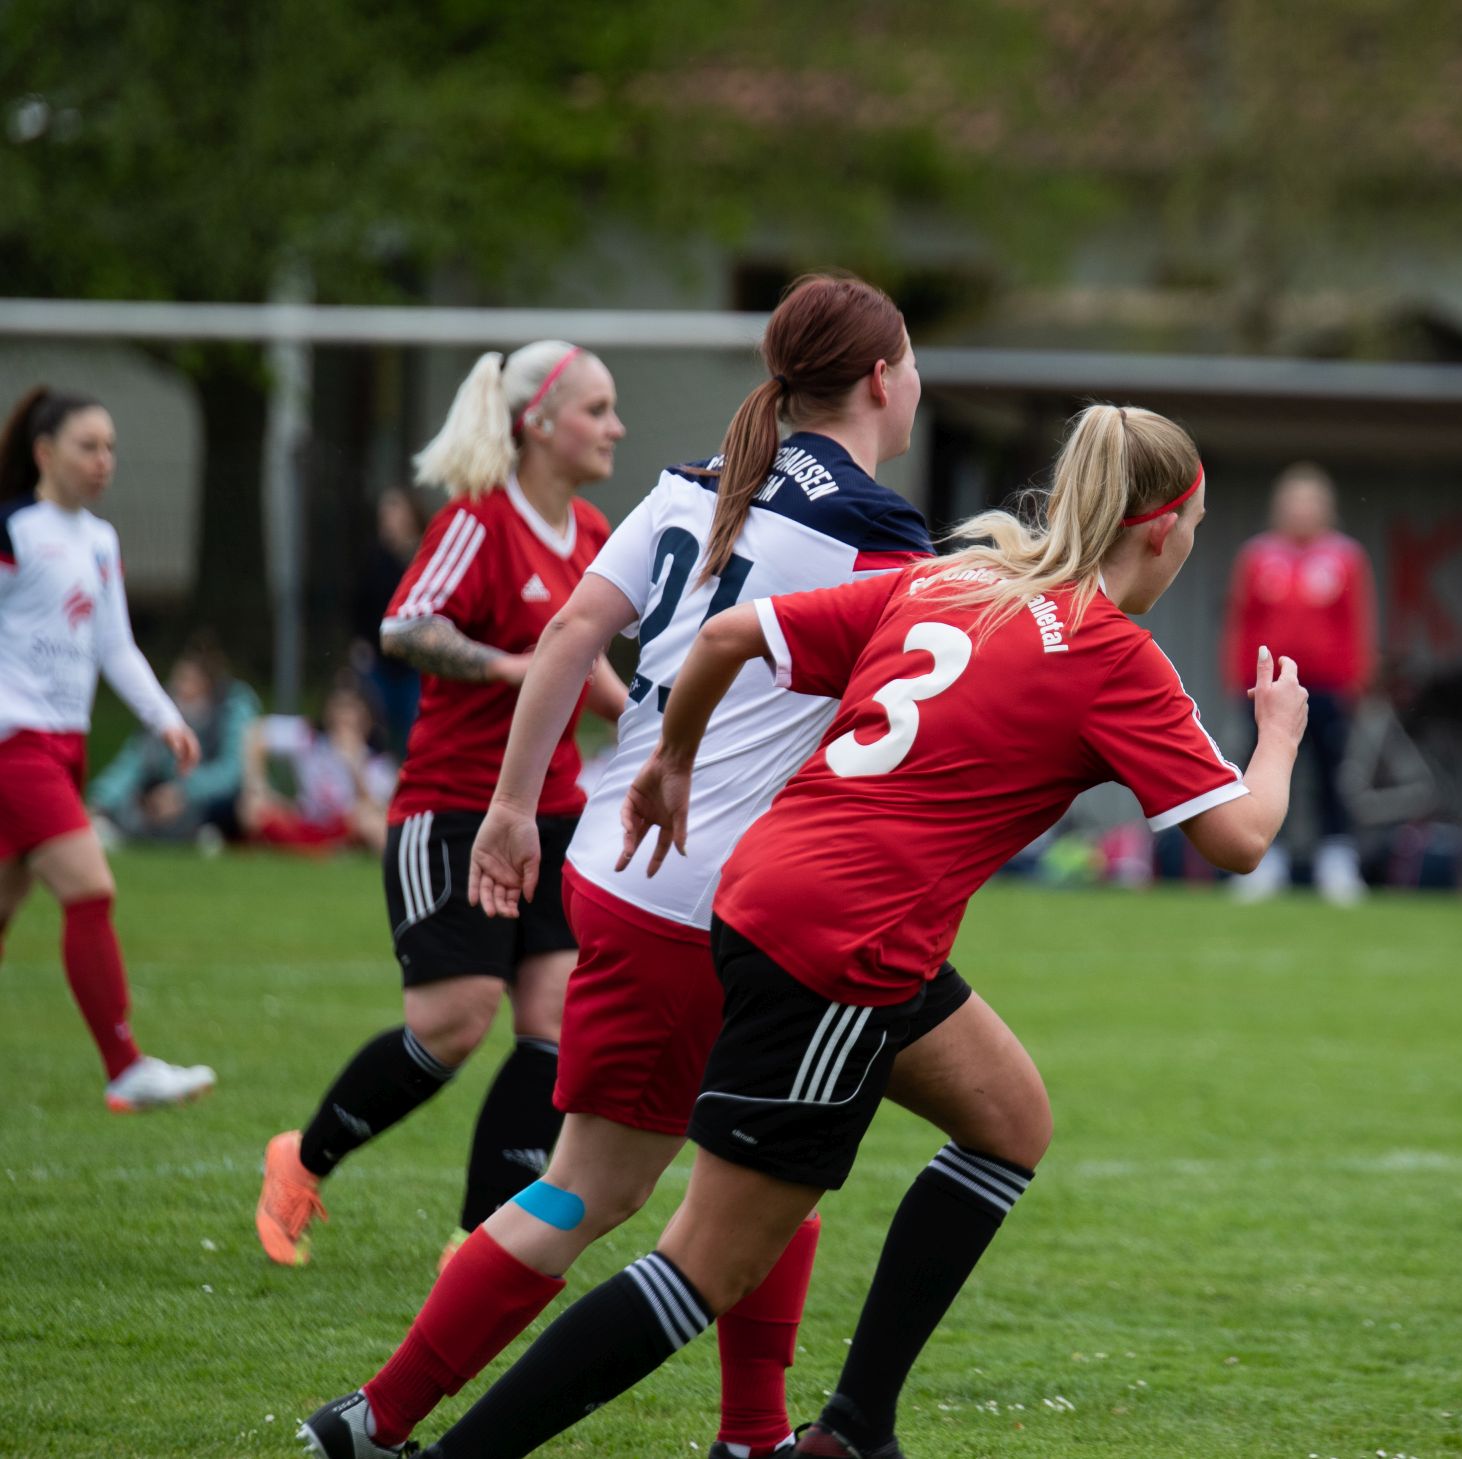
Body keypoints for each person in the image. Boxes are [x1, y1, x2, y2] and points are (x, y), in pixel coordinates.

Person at [408, 404, 1308, 1459]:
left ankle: (853, 1428)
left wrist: (670, 759)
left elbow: (730, 635)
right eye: (1193, 526)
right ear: (1159, 531)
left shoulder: (953, 580)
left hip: (773, 894)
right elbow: (1241, 838)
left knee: (1010, 1118)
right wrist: (1278, 737)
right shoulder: (1112, 654)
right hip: (843, 946)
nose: (1190, 543)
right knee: (705, 1265)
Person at [297, 273, 938, 1459]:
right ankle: (382, 1418)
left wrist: (509, 808)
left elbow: (568, 634)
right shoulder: (876, 532)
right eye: (911, 363)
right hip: (710, 898)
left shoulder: (702, 480)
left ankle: (744, 1434)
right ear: (880, 379)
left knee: (753, 1162)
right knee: (615, 1185)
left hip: (621, 861)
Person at [255, 341, 628, 1269]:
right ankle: (302, 1158)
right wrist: (511, 667)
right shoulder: (478, 520)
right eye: (597, 409)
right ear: (538, 421)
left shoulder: (591, 529)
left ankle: (478, 1242)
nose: (615, 427)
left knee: (555, 1021)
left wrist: (657, 732)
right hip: (453, 810)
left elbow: (586, 662)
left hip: (554, 812)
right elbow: (405, 625)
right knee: (454, 1022)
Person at [0, 386, 215, 1111]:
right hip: (15, 746)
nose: (103, 461)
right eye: (87, 446)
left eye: (111, 448)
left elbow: (114, 645)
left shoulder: (100, 540)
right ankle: (126, 1066)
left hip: (65, 746)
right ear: (44, 452)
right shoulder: (14, 532)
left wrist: (165, 719)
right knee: (91, 888)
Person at [1221, 461, 1377, 905]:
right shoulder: (1257, 556)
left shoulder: (1345, 557)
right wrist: (1239, 680)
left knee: (1331, 774)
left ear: (1326, 508)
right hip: (1268, 688)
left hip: (1327, 689)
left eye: (1310, 502)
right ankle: (1263, 860)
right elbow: (1241, 621)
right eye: (1294, 502)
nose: (1302, 511)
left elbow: (1357, 623)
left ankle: (1336, 861)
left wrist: (1356, 682)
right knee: (1265, 772)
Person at [88, 634, 259, 848]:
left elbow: (230, 772)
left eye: (187, 679)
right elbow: (135, 759)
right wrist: (100, 799)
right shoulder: (166, 708)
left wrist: (183, 792)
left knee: (230, 807)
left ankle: (205, 832)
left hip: (213, 800)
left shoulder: (231, 707)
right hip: (164, 793)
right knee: (139, 802)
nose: (178, 685)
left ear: (206, 684)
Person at [240, 671, 396, 856]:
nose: (343, 716)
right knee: (251, 806)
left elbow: (377, 807)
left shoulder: (376, 759)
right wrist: (259, 785)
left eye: (352, 709)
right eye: (339, 707)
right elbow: (256, 732)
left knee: (373, 821)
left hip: (347, 826)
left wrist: (355, 764)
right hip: (306, 820)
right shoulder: (311, 738)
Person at [354, 485, 430, 755]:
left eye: (394, 511)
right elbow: (360, 604)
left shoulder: (425, 555)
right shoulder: (374, 558)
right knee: (377, 728)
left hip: (415, 662)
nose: (388, 519)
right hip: (380, 660)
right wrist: (360, 643)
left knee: (415, 729)